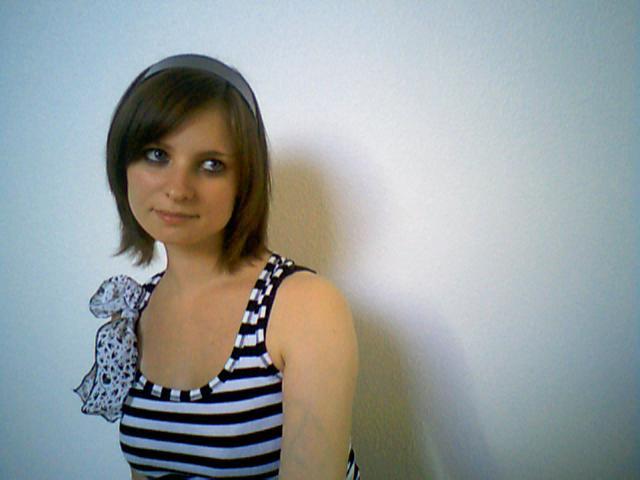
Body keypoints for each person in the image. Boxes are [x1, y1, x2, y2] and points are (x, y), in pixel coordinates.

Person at [75, 54, 360, 480]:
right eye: (156, 154)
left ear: (244, 181)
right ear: (123, 165)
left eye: (211, 165)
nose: (178, 188)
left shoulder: (303, 305)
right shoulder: (134, 311)